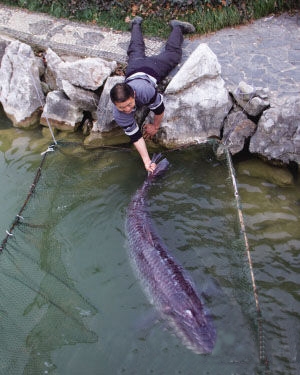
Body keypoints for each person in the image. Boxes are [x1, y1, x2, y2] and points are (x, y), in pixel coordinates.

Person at [110, 16, 195, 172]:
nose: (128, 110)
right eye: (122, 108)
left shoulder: (145, 91)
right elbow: (135, 136)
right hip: (134, 68)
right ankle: (135, 23)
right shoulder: (118, 113)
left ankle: (177, 27)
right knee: (135, 48)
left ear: (133, 95)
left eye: (129, 105)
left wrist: (155, 126)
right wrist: (146, 161)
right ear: (115, 105)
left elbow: (159, 108)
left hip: (152, 69)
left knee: (173, 54)